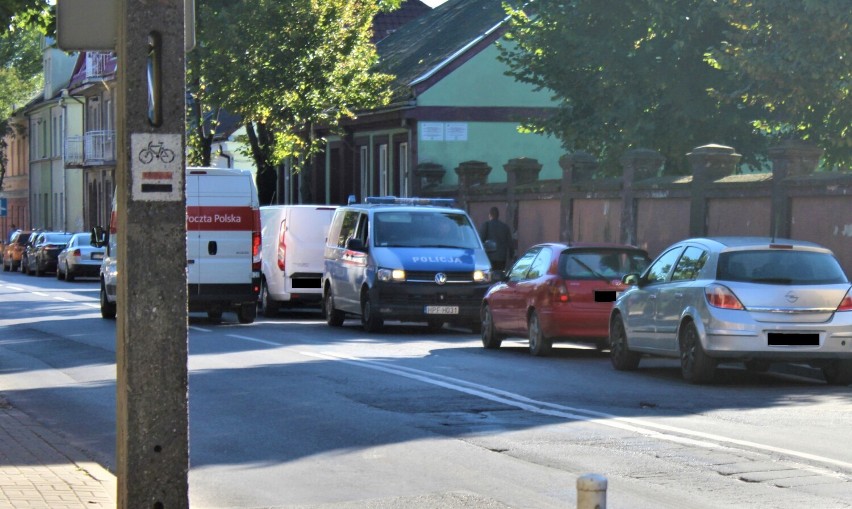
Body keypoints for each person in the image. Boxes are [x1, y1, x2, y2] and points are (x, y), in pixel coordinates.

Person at [479, 207, 513, 272]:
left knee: (489, 276)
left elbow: (480, 241)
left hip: (489, 257)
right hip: (501, 258)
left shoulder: (486, 225)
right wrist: (511, 256)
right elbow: (510, 244)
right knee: (500, 275)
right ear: (498, 215)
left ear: (490, 215)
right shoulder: (505, 227)